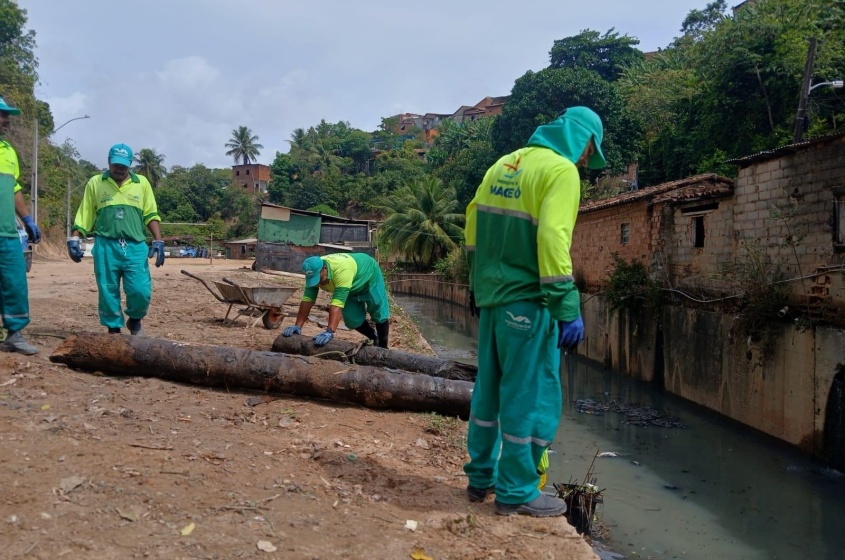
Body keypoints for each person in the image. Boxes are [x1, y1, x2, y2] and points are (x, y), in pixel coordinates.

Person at [463, 106, 606, 517]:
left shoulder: (504, 164)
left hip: (492, 300)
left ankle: (480, 479)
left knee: (489, 389)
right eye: (588, 151)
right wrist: (566, 305)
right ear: (583, 139)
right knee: (530, 394)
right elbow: (552, 238)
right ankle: (517, 491)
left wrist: (478, 285)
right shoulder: (561, 172)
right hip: (528, 301)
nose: (585, 161)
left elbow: (472, 224)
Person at [67, 143, 164, 335]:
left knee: (140, 290)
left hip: (135, 246)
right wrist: (75, 237)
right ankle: (113, 329)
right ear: (109, 162)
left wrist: (159, 240)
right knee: (107, 289)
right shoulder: (96, 183)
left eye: (124, 165)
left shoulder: (141, 183)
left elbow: (151, 214)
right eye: (116, 164)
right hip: (106, 246)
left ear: (130, 164)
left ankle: (135, 320)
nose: (119, 169)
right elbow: (85, 213)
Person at [0, 96, 40, 355]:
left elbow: (14, 189)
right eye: (2, 116)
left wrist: (26, 219)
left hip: (6, 232)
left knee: (14, 282)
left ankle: (14, 334)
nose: (6, 121)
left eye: (7, 117)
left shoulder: (8, 151)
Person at [282, 253, 390, 348]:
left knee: (379, 311)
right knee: (352, 319)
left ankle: (383, 347)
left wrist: (329, 331)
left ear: (325, 268)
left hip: (368, 276)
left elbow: (336, 304)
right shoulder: (313, 269)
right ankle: (374, 337)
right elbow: (307, 300)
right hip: (350, 286)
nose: (317, 283)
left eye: (320, 279)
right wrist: (298, 325)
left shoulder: (342, 271)